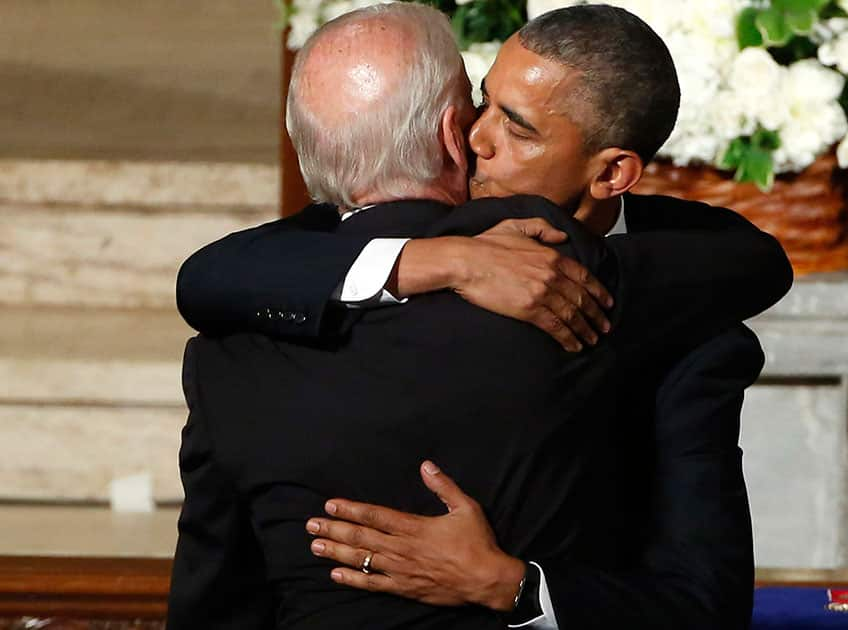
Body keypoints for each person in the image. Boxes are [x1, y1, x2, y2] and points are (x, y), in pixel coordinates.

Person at [169, 4, 791, 629]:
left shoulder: (656, 299)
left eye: (518, 129)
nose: (476, 138)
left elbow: (755, 260)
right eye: (481, 100)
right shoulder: (287, 274)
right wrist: (439, 261)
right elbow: (209, 274)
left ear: (612, 172)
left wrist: (517, 588)